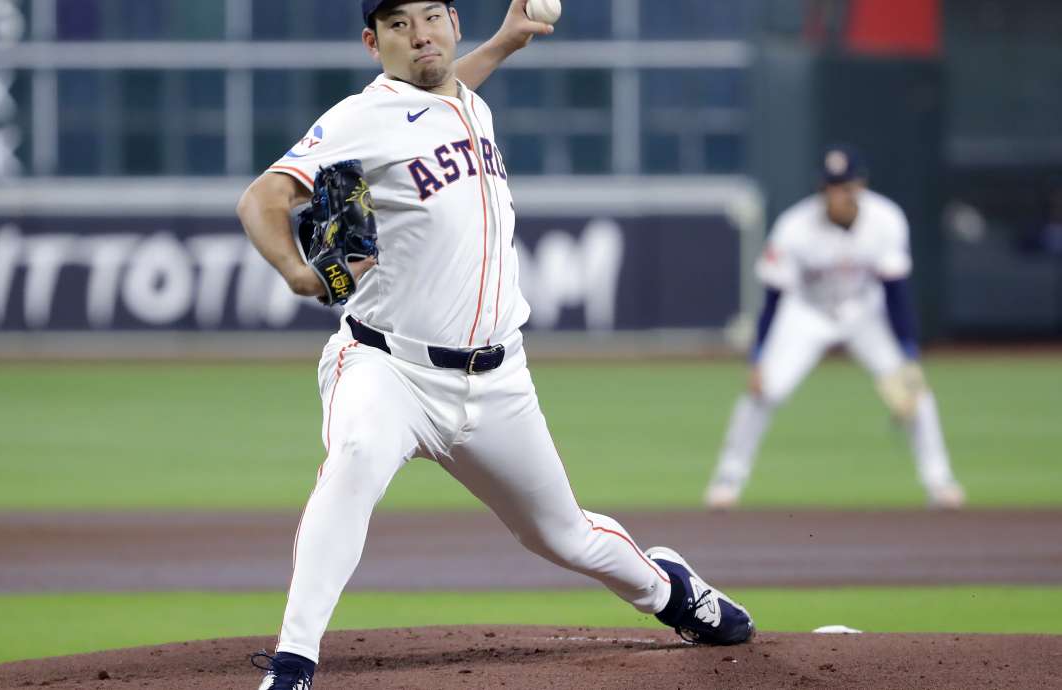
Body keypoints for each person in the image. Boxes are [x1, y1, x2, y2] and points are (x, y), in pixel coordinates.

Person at [237, 1, 754, 688]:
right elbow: (261, 200)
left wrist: (506, 42)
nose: (419, 34)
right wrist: (299, 273)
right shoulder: (362, 117)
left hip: (498, 378)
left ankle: (670, 591)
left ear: (453, 22)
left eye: (430, 17)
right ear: (372, 42)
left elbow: (448, 90)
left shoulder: (466, 105)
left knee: (561, 534)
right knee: (356, 459)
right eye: (397, 24)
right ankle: (294, 661)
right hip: (388, 366)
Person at [704, 145, 966, 511]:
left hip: (865, 312)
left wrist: (907, 355)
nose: (838, 193)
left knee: (915, 393)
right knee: (764, 392)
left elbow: (896, 294)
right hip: (807, 312)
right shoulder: (794, 227)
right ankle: (728, 478)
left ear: (861, 186)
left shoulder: (887, 219)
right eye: (831, 186)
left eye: (845, 185)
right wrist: (759, 357)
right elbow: (775, 298)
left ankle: (940, 481)